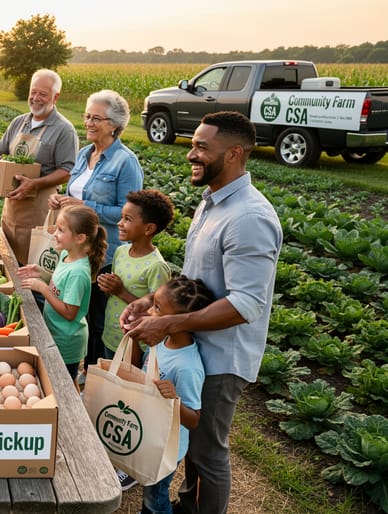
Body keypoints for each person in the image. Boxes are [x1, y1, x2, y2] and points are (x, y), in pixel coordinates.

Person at [121, 111, 283, 514]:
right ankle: (187, 505)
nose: (191, 153)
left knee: (208, 452)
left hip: (222, 354)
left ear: (234, 153)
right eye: (192, 144)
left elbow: (246, 304)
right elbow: (195, 279)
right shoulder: (212, 202)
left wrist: (169, 322)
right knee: (188, 444)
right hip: (194, 343)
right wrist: (151, 302)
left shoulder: (250, 219)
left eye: (200, 147)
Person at [48, 89, 144, 378]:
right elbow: (73, 195)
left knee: (97, 320)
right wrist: (60, 200)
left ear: (114, 124)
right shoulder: (84, 154)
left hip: (105, 255)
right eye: (87, 116)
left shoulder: (125, 162)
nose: (88, 122)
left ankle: (94, 376)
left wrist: (85, 205)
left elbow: (130, 214)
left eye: (96, 118)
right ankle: (80, 371)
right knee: (78, 314)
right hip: (76, 253)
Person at [0, 68, 78, 266]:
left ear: (55, 97)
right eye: (33, 92)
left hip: (41, 207)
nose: (36, 98)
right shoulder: (19, 122)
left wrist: (34, 184)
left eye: (43, 94)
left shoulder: (63, 129)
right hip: (12, 206)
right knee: (8, 259)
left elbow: (67, 171)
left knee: (33, 266)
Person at [135, 276, 214, 514]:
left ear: (181, 321)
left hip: (167, 447)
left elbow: (193, 420)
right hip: (150, 434)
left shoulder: (187, 365)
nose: (150, 310)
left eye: (157, 308)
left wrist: (174, 399)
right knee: (149, 488)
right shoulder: (162, 341)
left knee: (156, 496)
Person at [17, 205, 107, 391]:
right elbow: (58, 284)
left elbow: (69, 313)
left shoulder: (78, 273)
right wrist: (40, 273)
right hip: (57, 331)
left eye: (60, 230)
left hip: (67, 339)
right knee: (61, 379)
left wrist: (42, 289)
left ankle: (77, 413)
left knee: (65, 382)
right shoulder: (67, 255)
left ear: (80, 238)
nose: (55, 234)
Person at [98, 189, 173, 362]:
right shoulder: (121, 251)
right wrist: (107, 287)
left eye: (127, 219)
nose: (119, 223)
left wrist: (120, 291)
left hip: (135, 344)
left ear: (148, 228)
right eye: (122, 217)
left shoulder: (156, 266)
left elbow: (157, 313)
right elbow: (112, 293)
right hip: (111, 335)